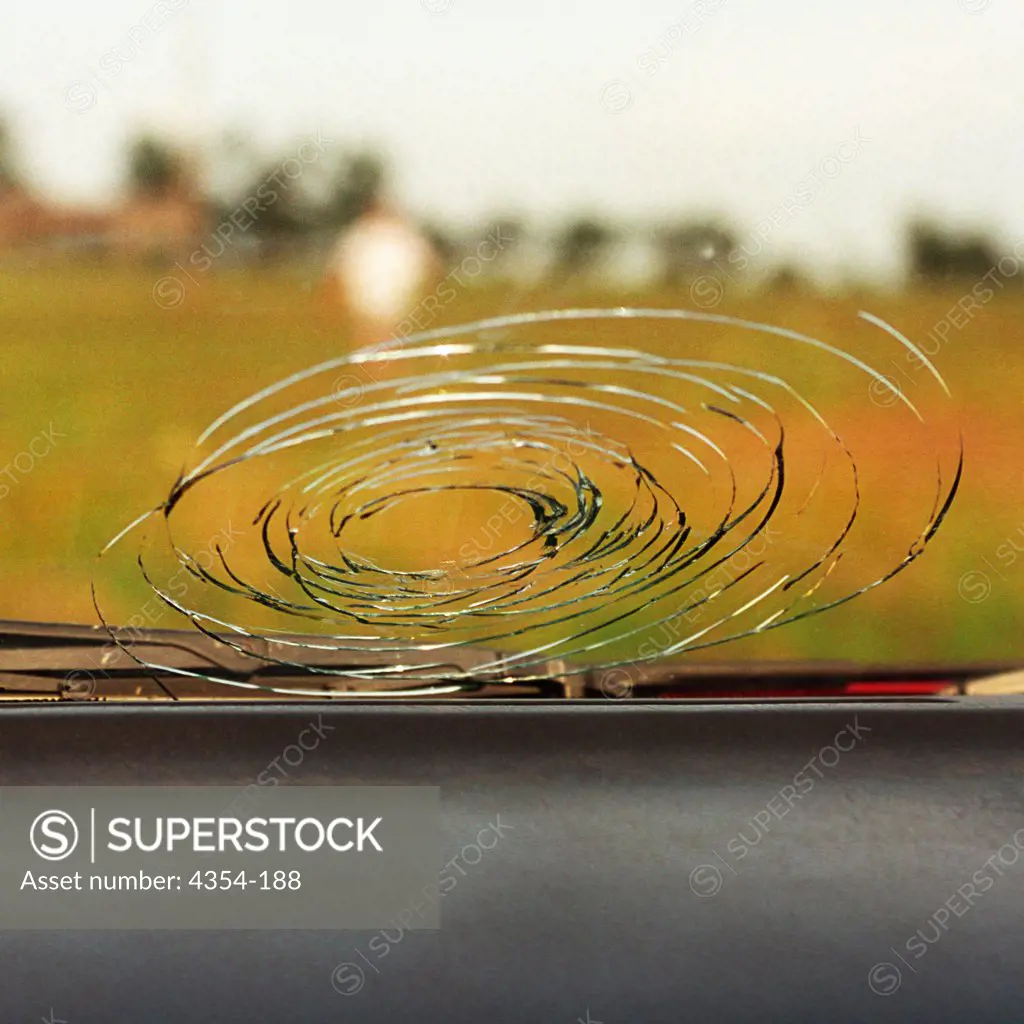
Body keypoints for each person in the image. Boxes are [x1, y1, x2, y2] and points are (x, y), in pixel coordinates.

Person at [325, 198, 440, 349]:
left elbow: (429, 264)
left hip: (384, 302)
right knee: (382, 341)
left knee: (381, 341)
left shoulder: (365, 233)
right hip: (378, 302)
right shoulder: (364, 233)